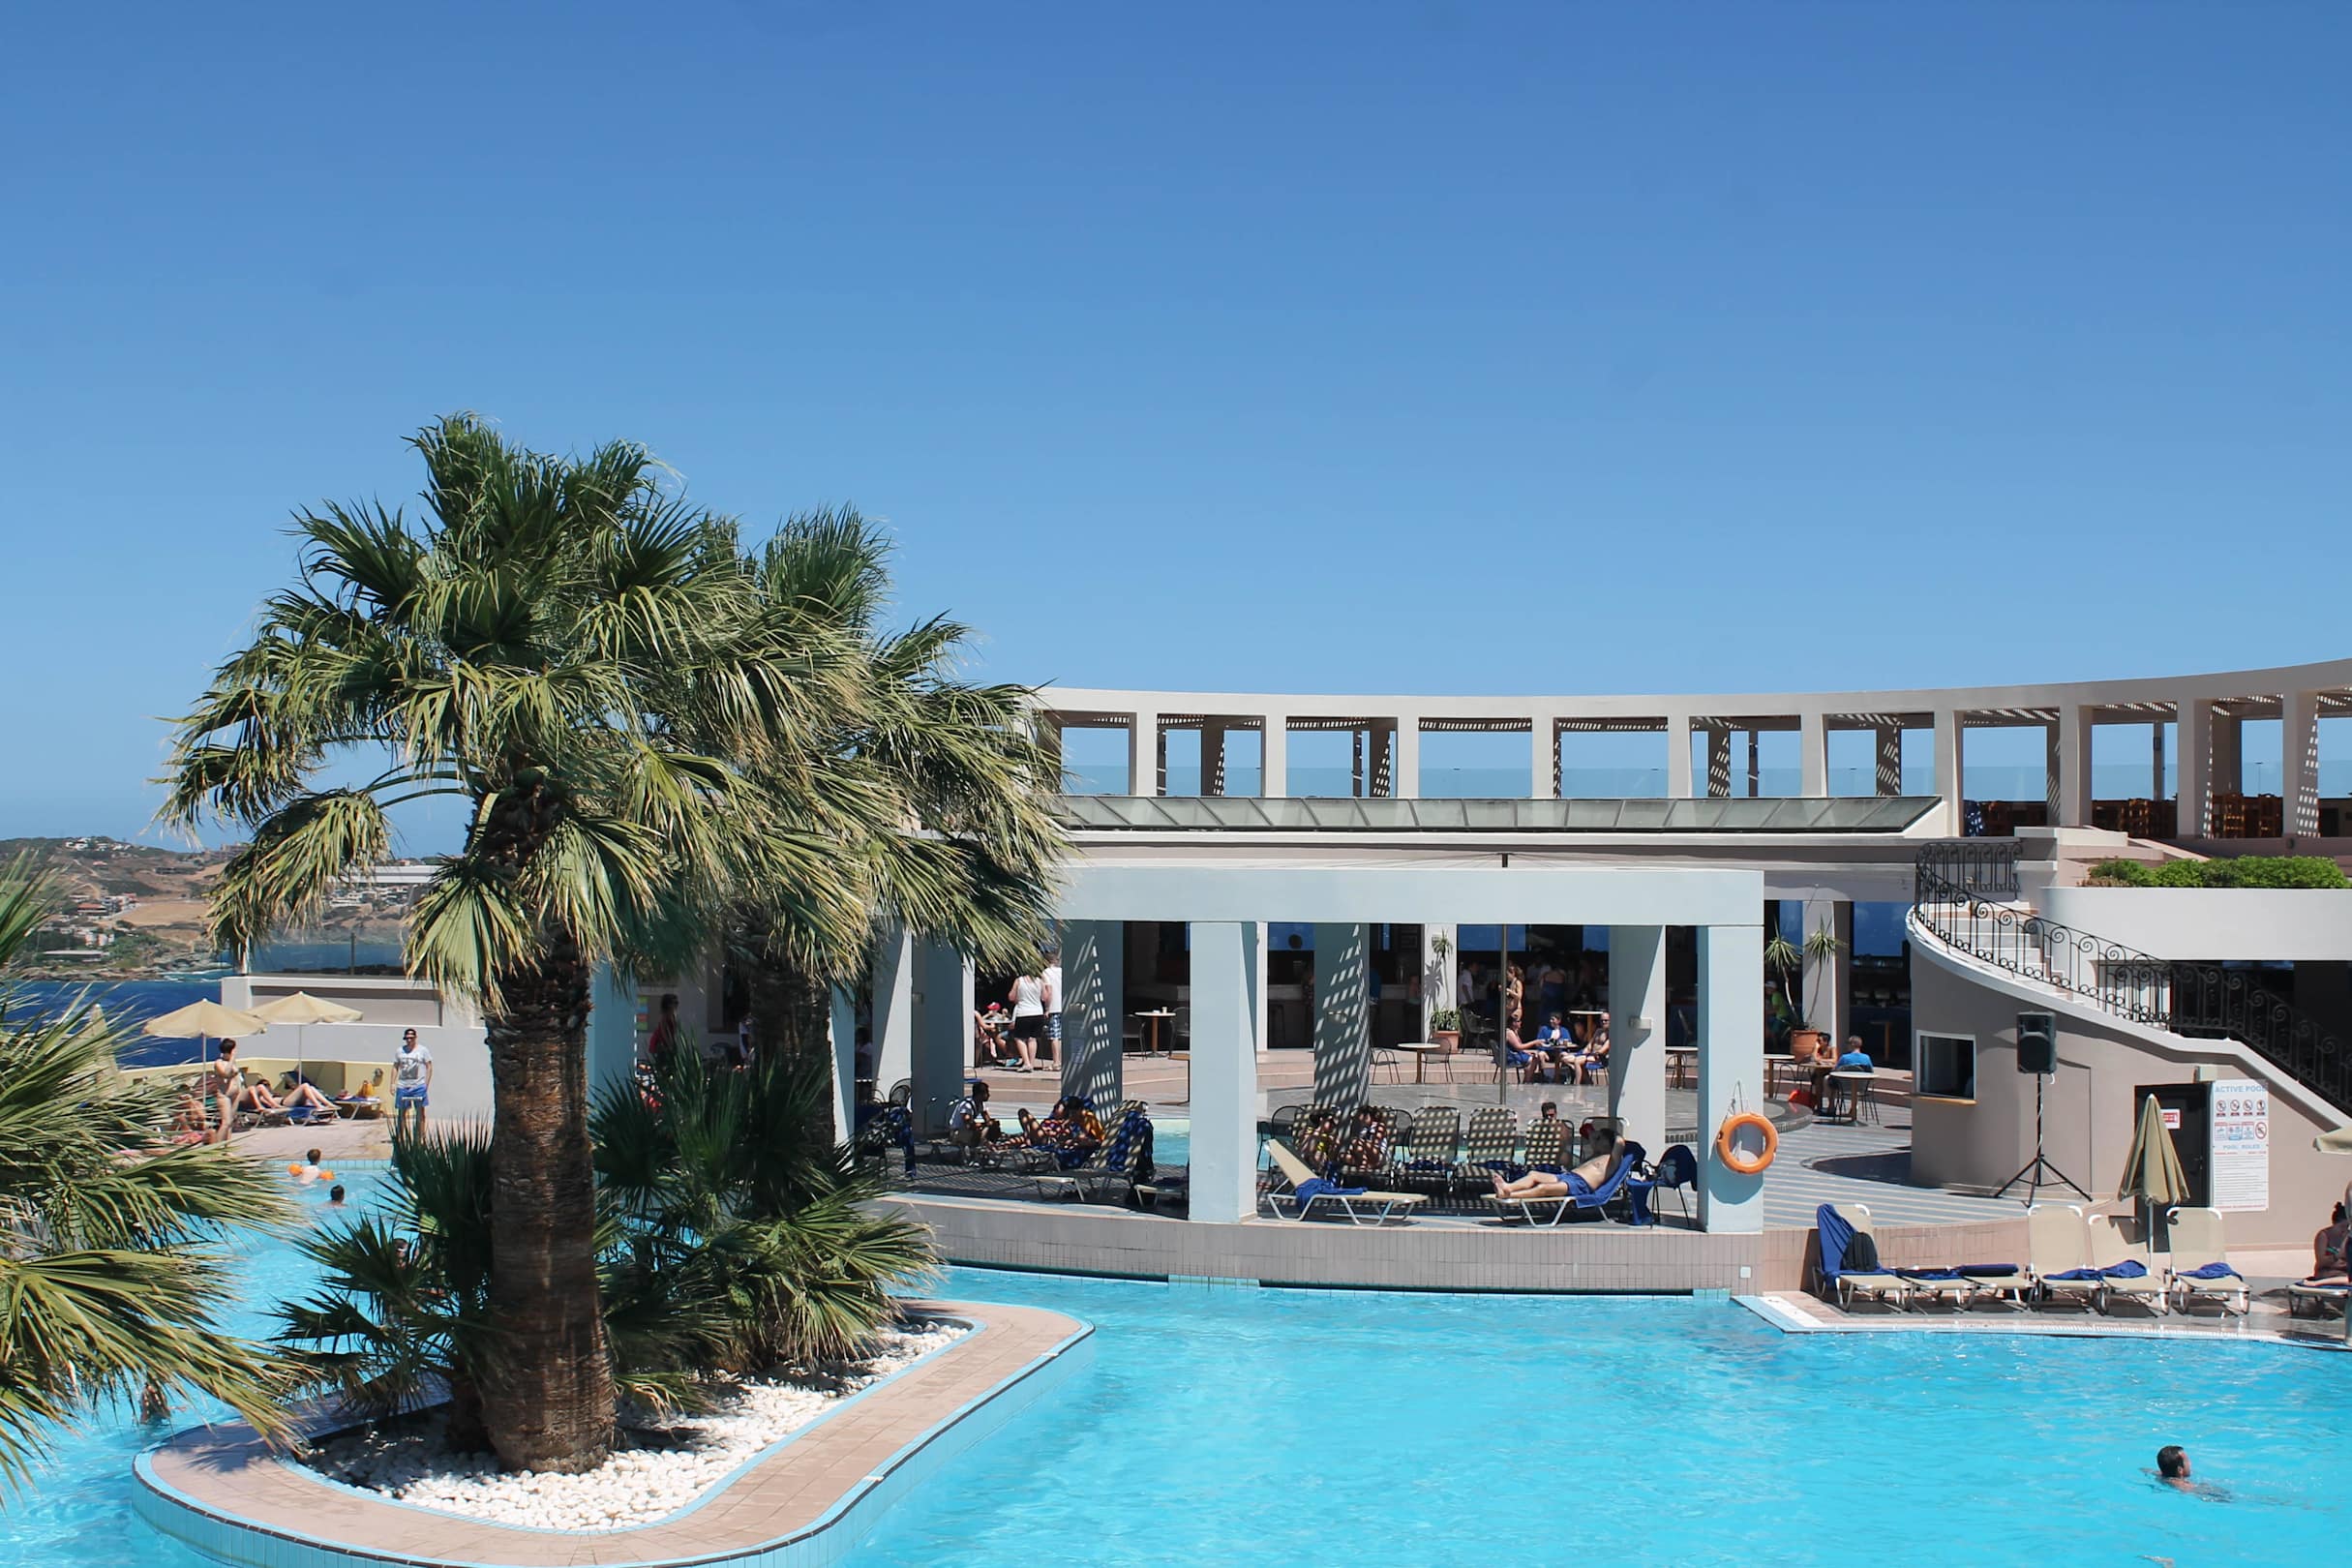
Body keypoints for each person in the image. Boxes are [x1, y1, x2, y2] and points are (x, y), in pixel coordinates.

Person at [1492, 1131, 1620, 1202]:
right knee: (1533, 1175)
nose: (1597, 1141)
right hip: (1568, 1176)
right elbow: (1591, 1136)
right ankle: (1508, 1187)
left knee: (1543, 1187)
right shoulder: (1596, 1154)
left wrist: (1615, 1133)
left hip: (1580, 1185)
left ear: (1610, 1143)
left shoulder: (1612, 1159)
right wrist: (1597, 1133)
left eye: (1600, 1139)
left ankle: (1510, 1195)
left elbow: (1620, 1141)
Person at [392, 1027, 433, 1140]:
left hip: (418, 1086)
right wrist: (392, 1083)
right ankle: (400, 1137)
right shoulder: (400, 1051)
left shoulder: (423, 1050)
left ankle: (420, 1137)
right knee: (401, 1113)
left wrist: (426, 1084)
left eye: (411, 1038)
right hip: (403, 1086)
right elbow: (395, 1066)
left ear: (415, 1038)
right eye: (407, 1038)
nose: (409, 1040)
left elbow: (429, 1067)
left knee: (420, 1112)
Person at [1007, 971, 1046, 1073]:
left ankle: (1026, 1063)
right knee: (1032, 1039)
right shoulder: (1040, 981)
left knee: (1019, 1038)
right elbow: (1044, 997)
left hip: (1023, 1013)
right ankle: (1031, 1064)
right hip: (1038, 1012)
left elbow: (1011, 997)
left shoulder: (1019, 981)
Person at [947, 1078, 1002, 1147]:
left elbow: (987, 1119)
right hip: (957, 1132)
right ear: (980, 1094)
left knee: (993, 1127)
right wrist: (985, 1124)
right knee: (980, 1131)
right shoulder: (967, 1105)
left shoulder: (981, 1104)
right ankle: (975, 1147)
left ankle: (991, 1143)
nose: (989, 1095)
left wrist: (993, 1123)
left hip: (966, 1130)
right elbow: (968, 1125)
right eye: (987, 1093)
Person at [2306, 1202, 2350, 1283]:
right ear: (2334, 1224)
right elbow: (2321, 1262)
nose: (2344, 1230)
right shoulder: (2324, 1236)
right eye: (2341, 1226)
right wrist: (2337, 1256)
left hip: (2344, 1272)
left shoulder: (2348, 1236)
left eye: (2347, 1227)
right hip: (2326, 1272)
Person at [1527, 1014, 1574, 1082]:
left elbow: (1568, 1042)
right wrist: (1549, 1043)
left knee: (1564, 1055)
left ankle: (1558, 1077)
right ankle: (1544, 1075)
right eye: (1550, 1019)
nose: (1551, 1021)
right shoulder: (1544, 1029)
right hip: (1547, 1053)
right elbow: (1539, 1042)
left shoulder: (1564, 1030)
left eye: (1553, 1019)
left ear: (1559, 1021)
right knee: (1541, 1054)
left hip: (1559, 1052)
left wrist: (1554, 1042)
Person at [1040, 951, 1063, 1070]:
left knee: (1054, 1036)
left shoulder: (1046, 973)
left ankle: (1056, 1062)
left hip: (1054, 1007)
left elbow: (1049, 991)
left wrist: (1047, 1008)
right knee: (1061, 1036)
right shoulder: (1062, 971)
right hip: (1064, 1006)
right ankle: (1061, 1061)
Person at [647, 994, 682, 1064]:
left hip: (667, 1043)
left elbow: (674, 1030)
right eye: (675, 1003)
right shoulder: (665, 1016)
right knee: (664, 1062)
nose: (677, 1005)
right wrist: (669, 1045)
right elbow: (664, 1032)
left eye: (677, 1003)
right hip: (661, 1043)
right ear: (669, 1005)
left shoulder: (673, 1015)